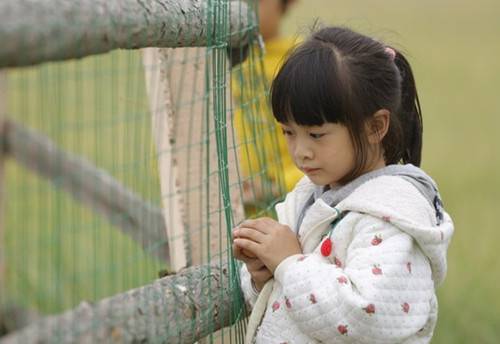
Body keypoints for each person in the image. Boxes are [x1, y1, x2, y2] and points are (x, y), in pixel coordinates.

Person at [232, 26, 454, 343]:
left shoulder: (390, 218)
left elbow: (365, 317)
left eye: (316, 134)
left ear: (375, 127)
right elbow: (285, 309)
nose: (300, 151)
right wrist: (261, 273)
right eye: (288, 132)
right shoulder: (308, 196)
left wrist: (289, 264)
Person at [233, 0, 302, 206]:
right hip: (229, 212)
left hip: (290, 205)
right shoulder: (213, 62)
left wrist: (277, 186)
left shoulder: (302, 62)